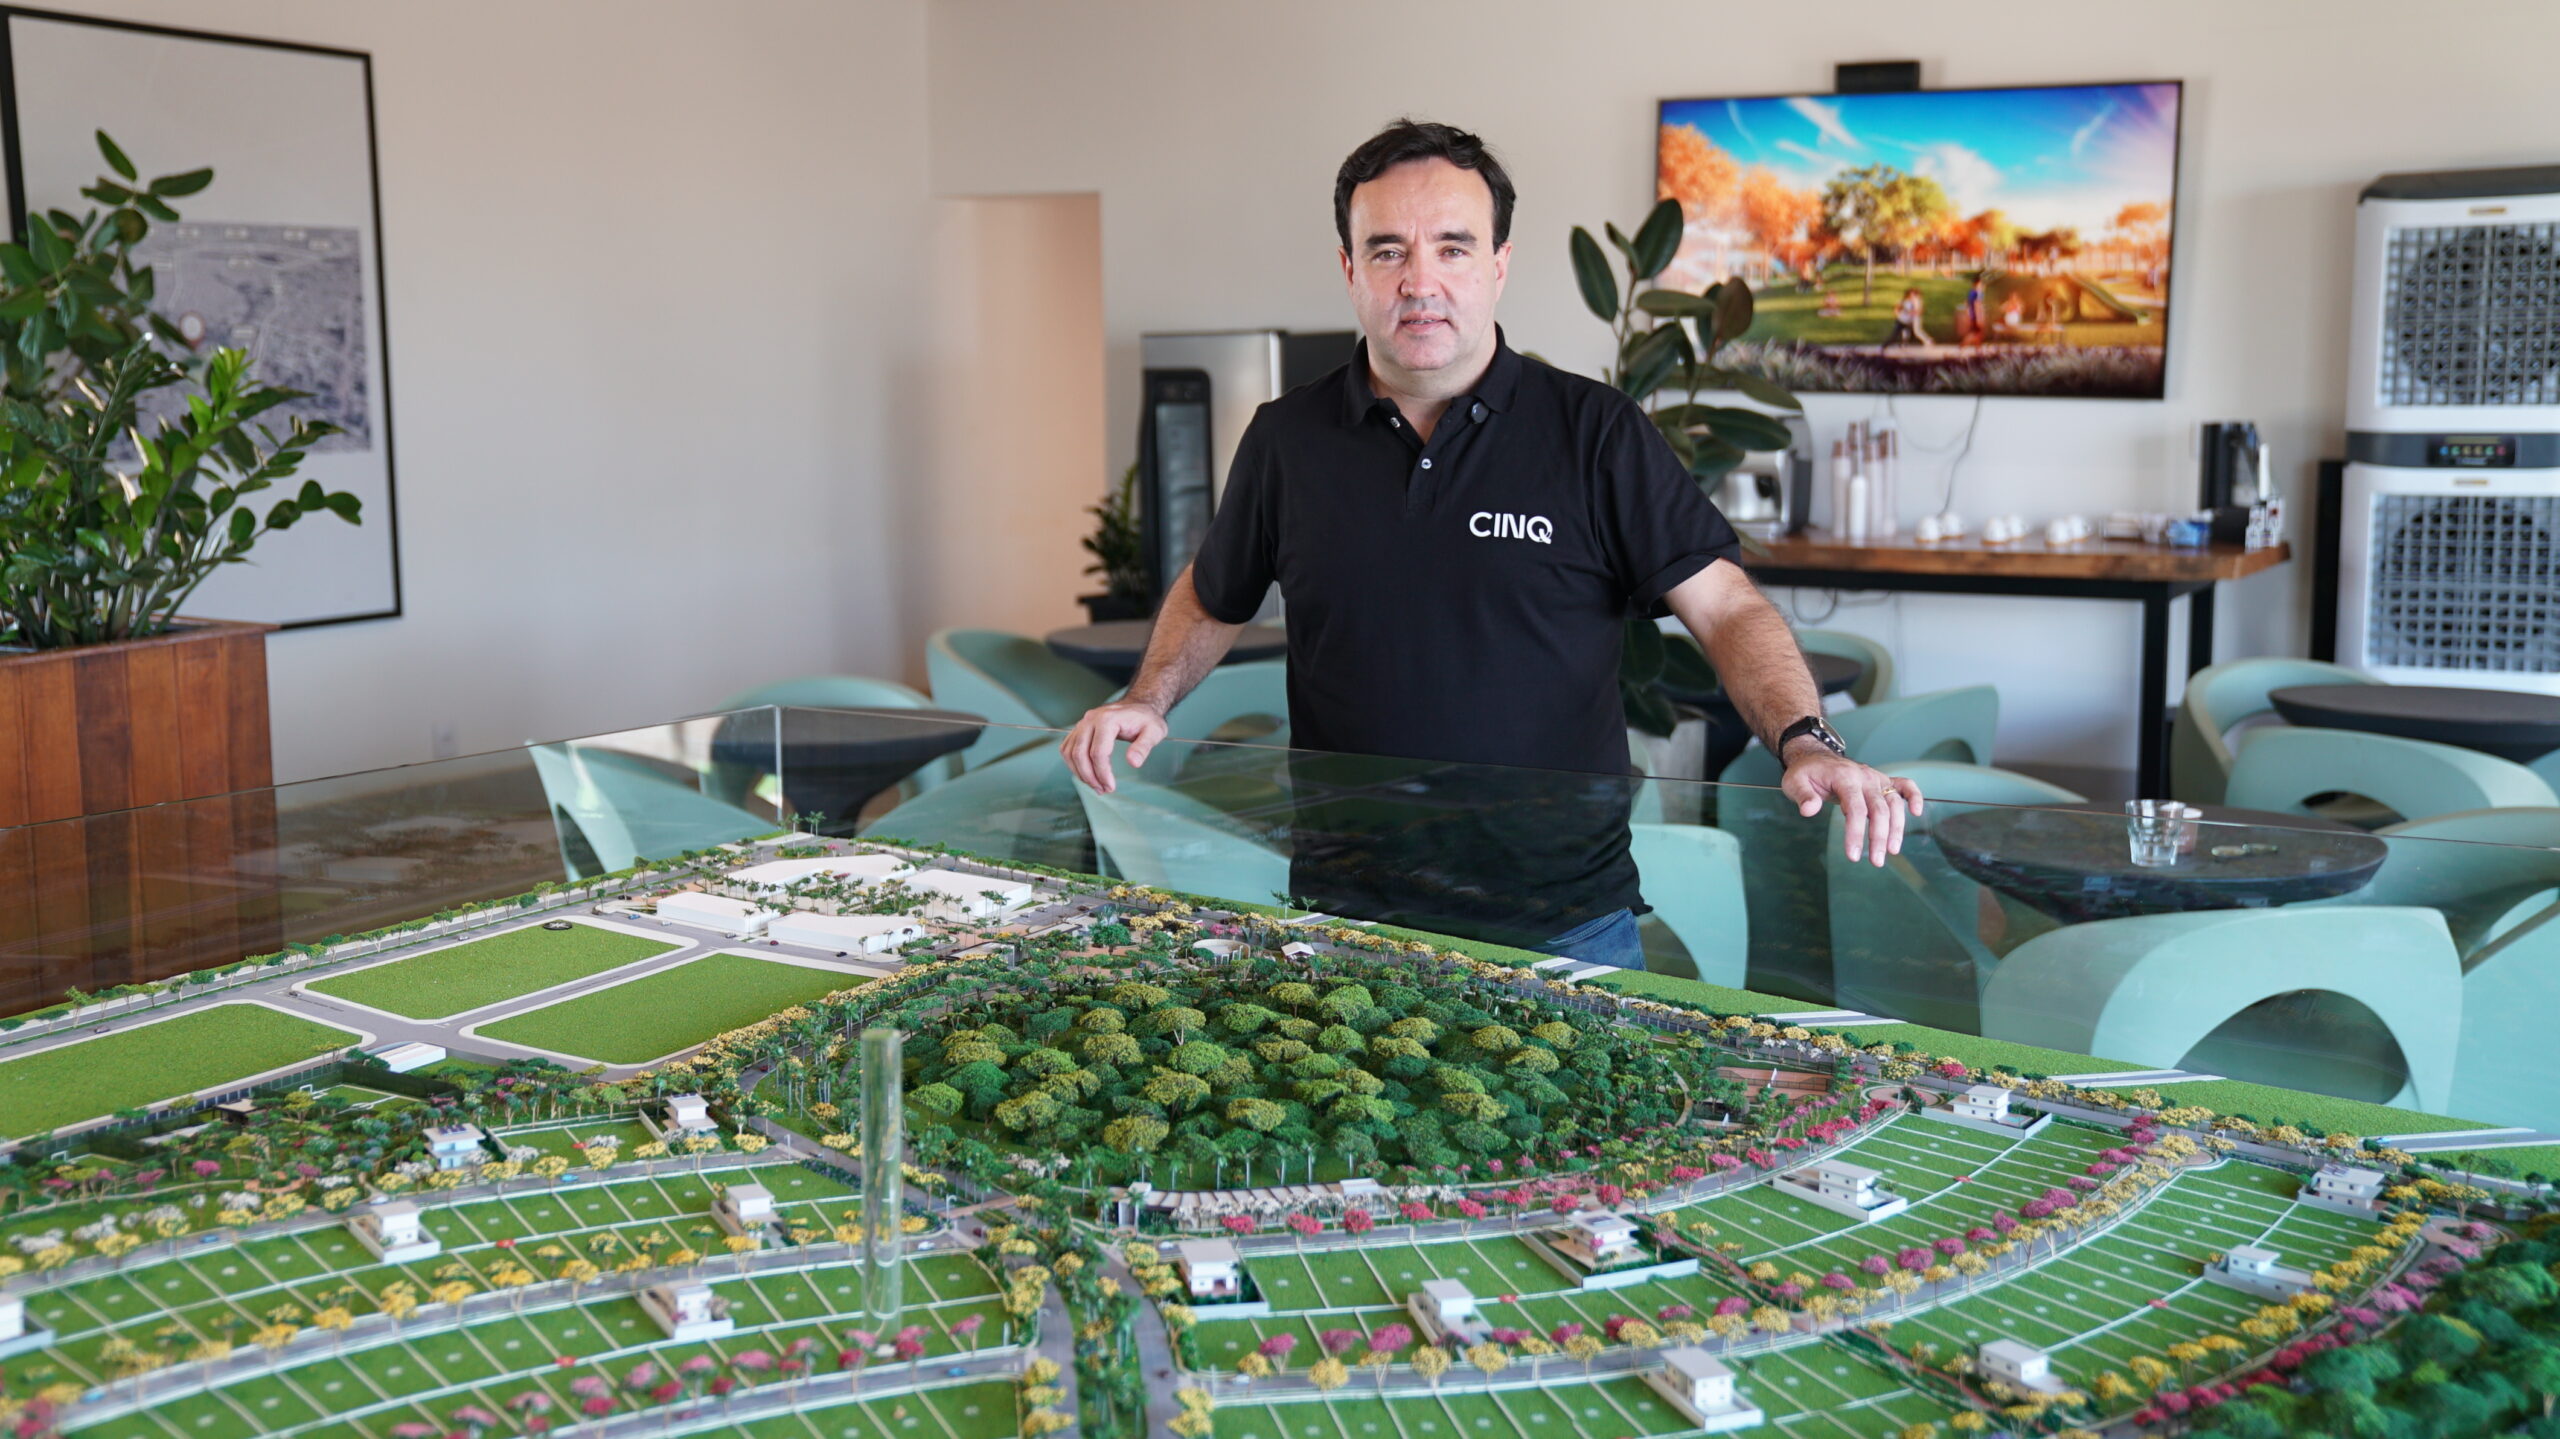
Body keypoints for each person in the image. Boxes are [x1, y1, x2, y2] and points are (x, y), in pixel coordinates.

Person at [1059, 119, 1921, 969]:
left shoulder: (1595, 432)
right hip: (1349, 922)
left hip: (1563, 927)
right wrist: (1147, 696)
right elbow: (1215, 591)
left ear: (1500, 264)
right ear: (1350, 270)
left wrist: (1807, 738)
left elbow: (1727, 606)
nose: (1420, 282)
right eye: (1388, 251)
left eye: (1454, 247)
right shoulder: (1287, 439)